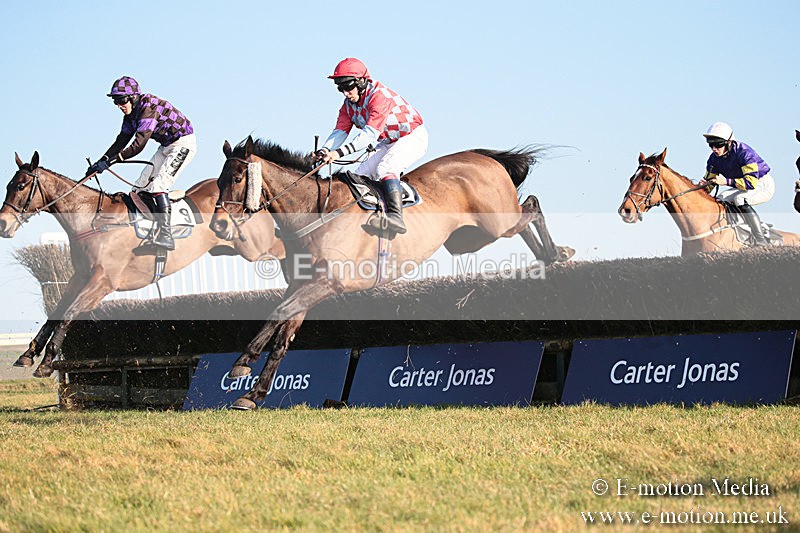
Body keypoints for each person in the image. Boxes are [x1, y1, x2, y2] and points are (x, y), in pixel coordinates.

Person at [314, 58, 428, 234]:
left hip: (412, 136)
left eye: (348, 86)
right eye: (340, 88)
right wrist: (324, 150)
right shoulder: (348, 106)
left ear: (361, 82)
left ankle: (396, 217)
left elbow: (369, 136)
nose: (345, 92)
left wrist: (338, 153)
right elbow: (340, 132)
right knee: (359, 176)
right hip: (388, 141)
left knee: (385, 168)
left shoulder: (379, 97)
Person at [86, 76, 196, 250]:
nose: (118, 105)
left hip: (183, 143)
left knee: (158, 185)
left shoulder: (148, 108)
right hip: (166, 146)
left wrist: (112, 162)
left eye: (121, 100)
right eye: (115, 101)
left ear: (133, 97)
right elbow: (121, 141)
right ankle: (151, 232)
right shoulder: (131, 115)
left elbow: (138, 145)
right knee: (140, 187)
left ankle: (166, 235)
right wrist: (101, 161)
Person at [700, 122, 774, 246]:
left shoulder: (745, 153)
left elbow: (751, 183)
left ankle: (760, 240)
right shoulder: (713, 159)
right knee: (719, 200)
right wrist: (702, 187)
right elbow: (709, 184)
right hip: (741, 186)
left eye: (718, 145)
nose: (714, 149)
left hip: (761, 183)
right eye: (711, 145)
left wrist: (725, 181)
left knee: (740, 199)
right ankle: (736, 230)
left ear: (729, 143)